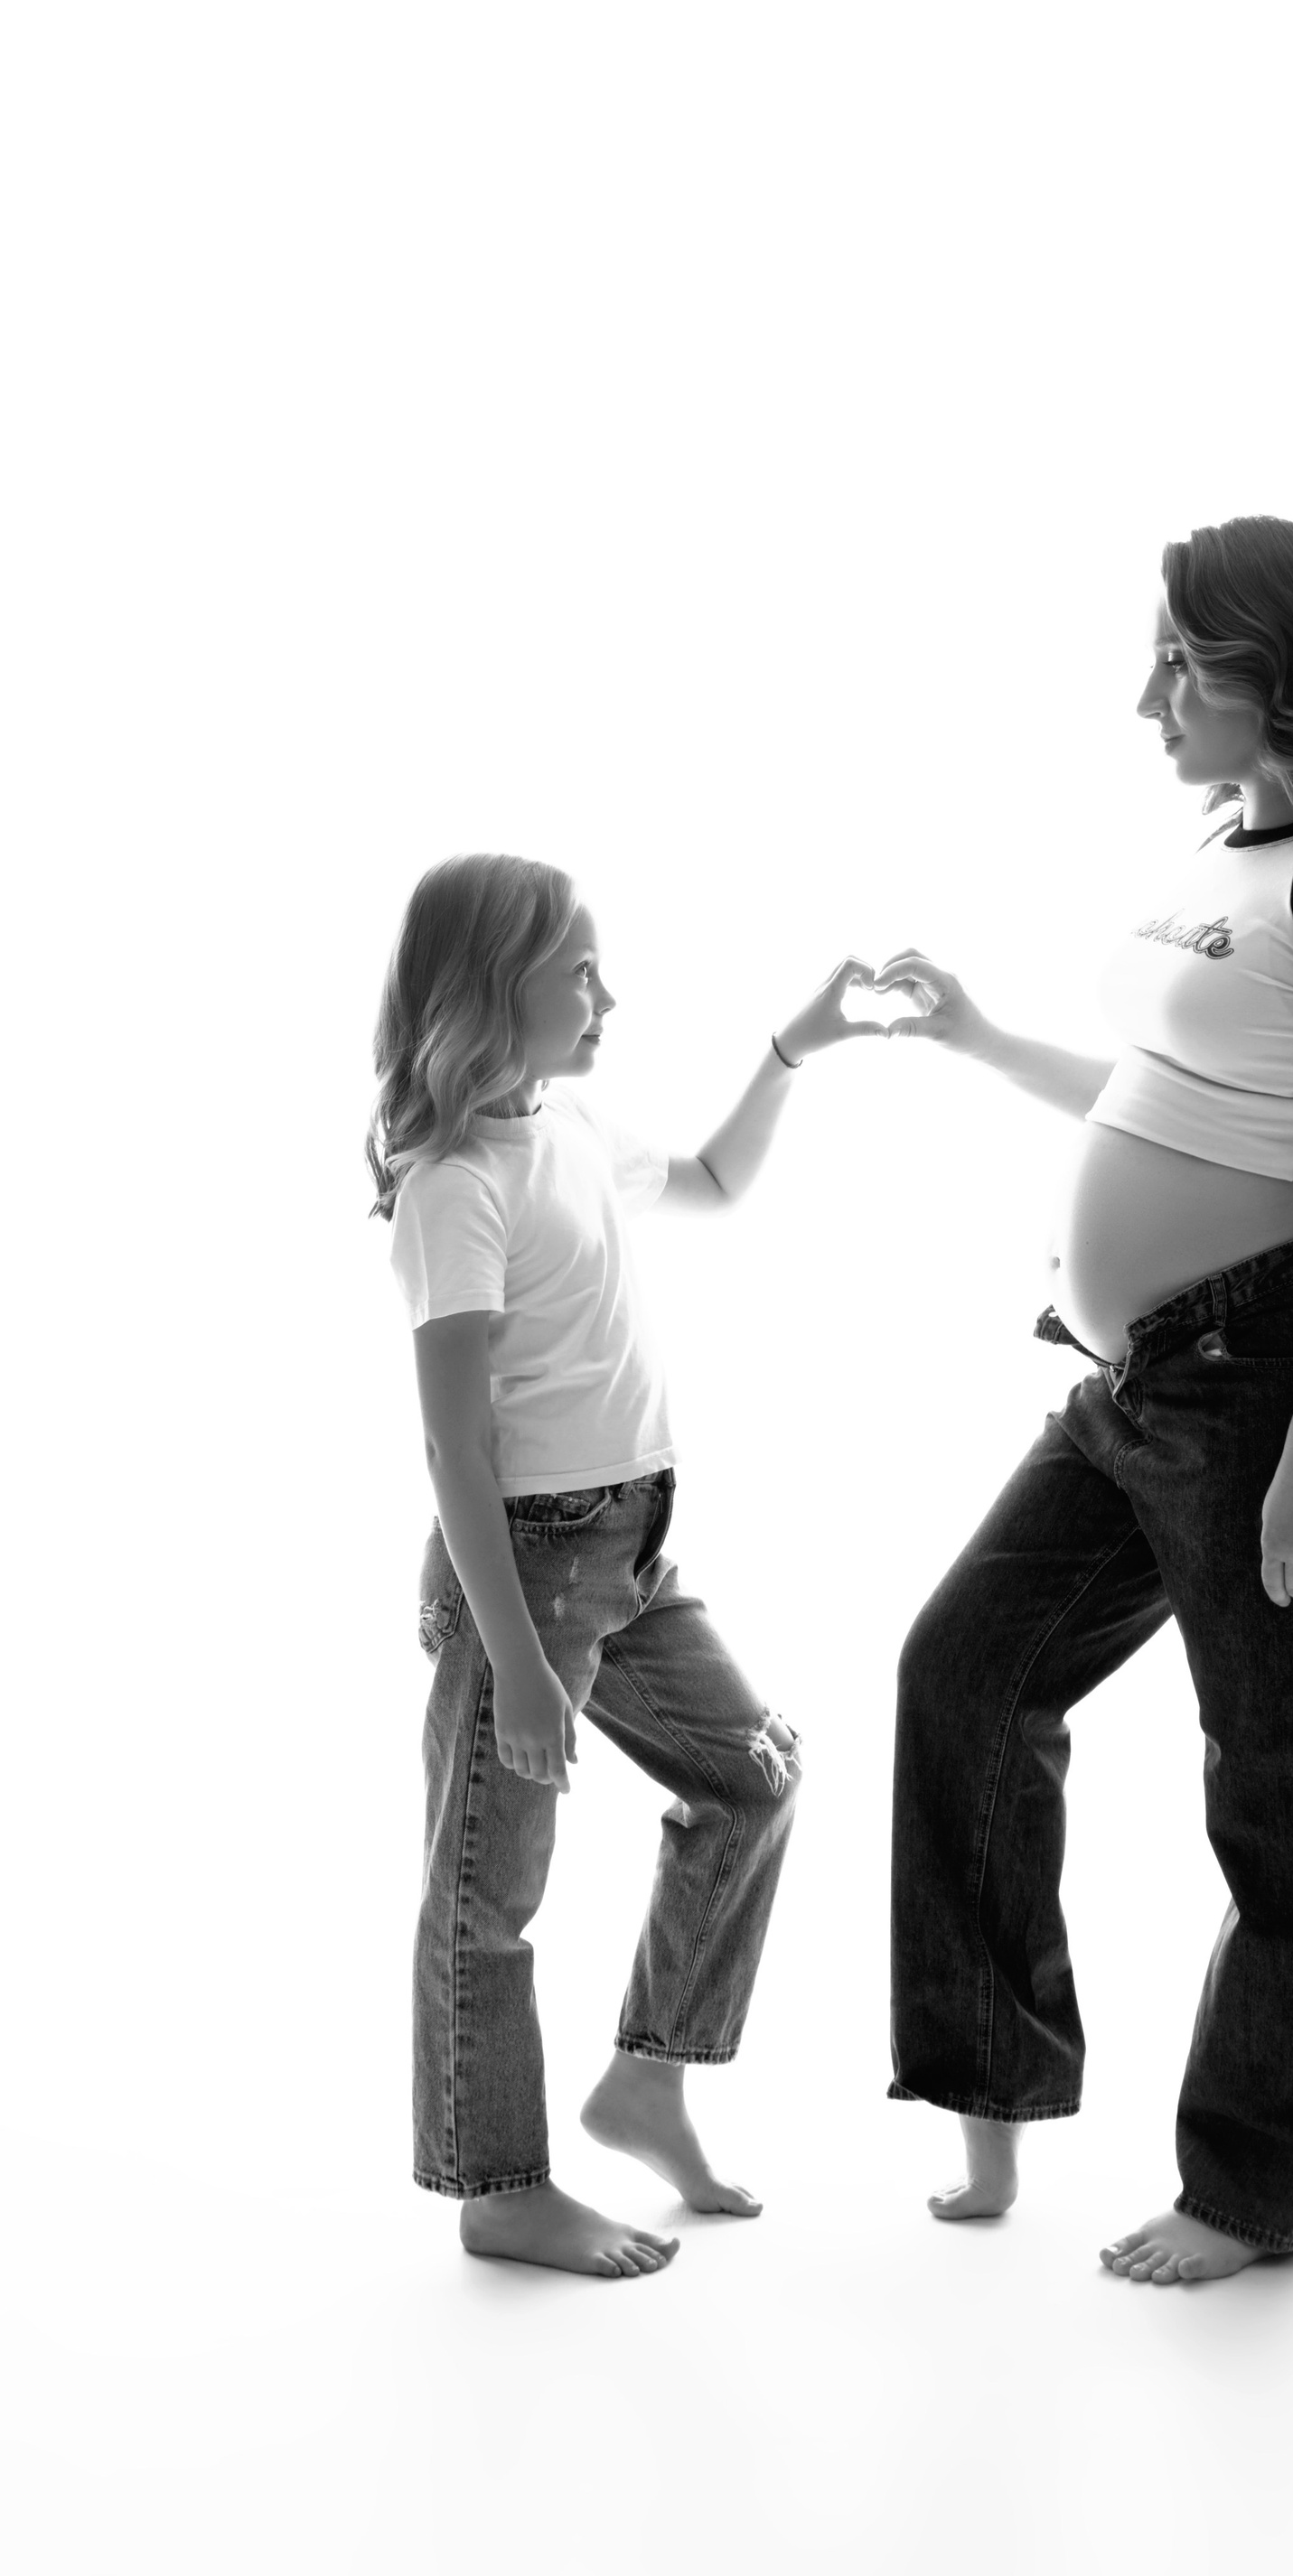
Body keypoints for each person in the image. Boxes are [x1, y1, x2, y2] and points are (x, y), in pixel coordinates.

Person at [876, 516, 1293, 2284]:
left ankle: (1262, 2191)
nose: (1149, 697)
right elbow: (1164, 1090)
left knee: (1284, 1801)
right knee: (963, 1672)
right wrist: (980, 1037)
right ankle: (989, 2083)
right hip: (1136, 1384)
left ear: (1282, 671)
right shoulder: (1226, 849)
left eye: (1182, 664)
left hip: (1277, 1388)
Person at [367, 855, 879, 2277]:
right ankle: (499, 2187)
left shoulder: (572, 1125)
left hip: (630, 1551)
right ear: (492, 990)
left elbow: (714, 1179)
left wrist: (791, 1049)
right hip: (525, 1574)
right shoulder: (454, 1186)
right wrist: (518, 1665)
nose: (609, 994)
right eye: (580, 971)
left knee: (753, 1776)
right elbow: (456, 1448)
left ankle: (648, 2079)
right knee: (486, 1891)